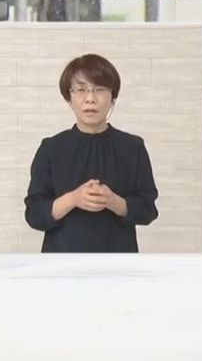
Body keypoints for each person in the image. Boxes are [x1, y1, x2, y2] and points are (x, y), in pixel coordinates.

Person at [24, 54, 159, 253]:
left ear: (112, 98)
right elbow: (34, 214)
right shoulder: (51, 148)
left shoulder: (132, 147)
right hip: (61, 263)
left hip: (119, 262)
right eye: (81, 90)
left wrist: (114, 202)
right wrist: (73, 199)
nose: (90, 99)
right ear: (69, 98)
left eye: (100, 90)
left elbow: (148, 210)